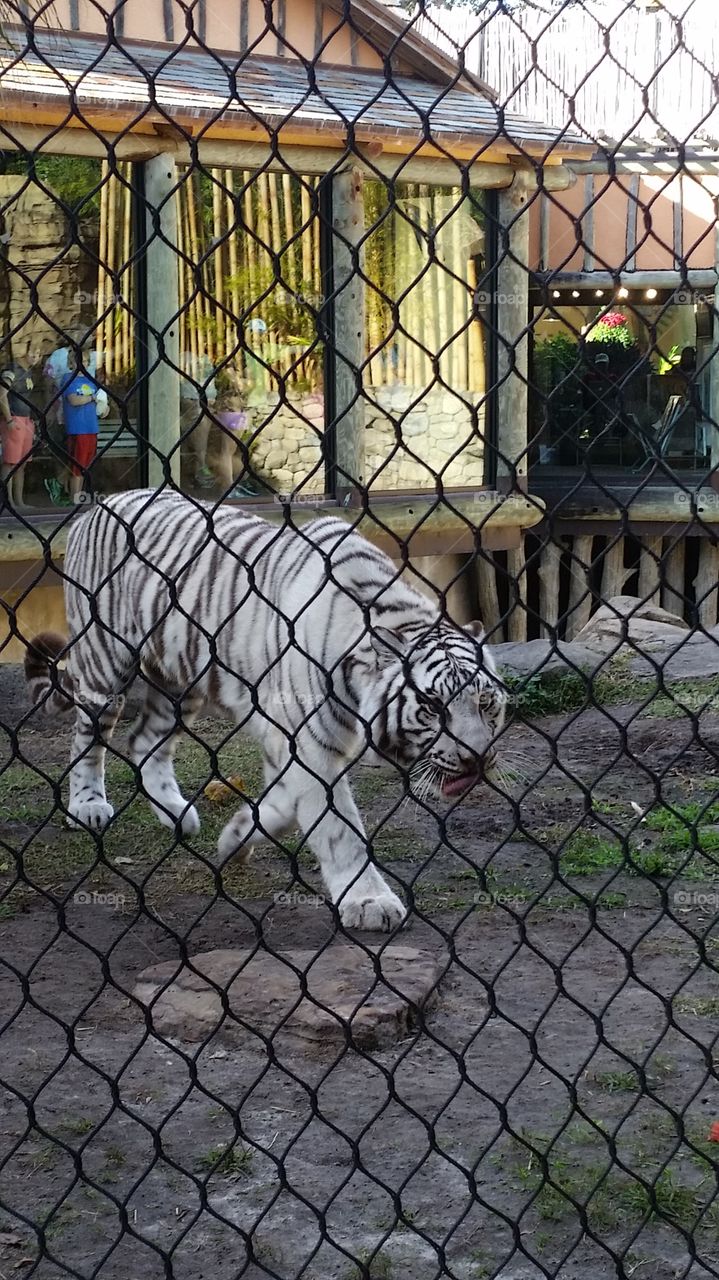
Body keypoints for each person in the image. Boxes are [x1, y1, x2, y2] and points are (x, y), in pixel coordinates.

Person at [0, 348, 40, 512]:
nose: (35, 357)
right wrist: (9, 419)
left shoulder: (28, 373)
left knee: (22, 464)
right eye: (33, 353)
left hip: (26, 420)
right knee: (10, 462)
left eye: (38, 354)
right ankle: (7, 500)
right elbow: (2, 394)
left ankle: (19, 501)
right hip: (14, 419)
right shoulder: (12, 370)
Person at [62, 350, 100, 503]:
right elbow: (73, 400)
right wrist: (91, 398)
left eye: (84, 361)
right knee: (77, 466)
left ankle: (79, 495)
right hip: (78, 429)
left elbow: (100, 402)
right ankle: (74, 499)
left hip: (91, 427)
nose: (82, 364)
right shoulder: (68, 379)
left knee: (86, 465)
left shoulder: (91, 380)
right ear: (71, 363)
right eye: (78, 361)